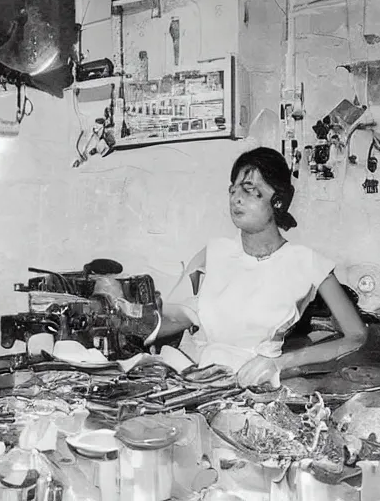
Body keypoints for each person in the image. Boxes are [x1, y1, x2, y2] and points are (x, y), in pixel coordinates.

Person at [151, 147, 367, 388]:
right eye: (233, 190)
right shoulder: (213, 253)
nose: (236, 198)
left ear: (278, 200)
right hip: (196, 382)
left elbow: (356, 336)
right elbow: (174, 318)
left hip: (257, 386)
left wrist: (281, 363)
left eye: (250, 190)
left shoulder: (307, 262)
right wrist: (131, 317)